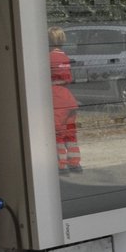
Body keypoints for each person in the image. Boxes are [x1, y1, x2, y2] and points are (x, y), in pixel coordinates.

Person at [48, 26, 81, 174]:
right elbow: (68, 78)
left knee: (58, 133)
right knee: (70, 132)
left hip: (57, 100)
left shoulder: (48, 58)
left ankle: (61, 164)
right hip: (69, 99)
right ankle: (75, 163)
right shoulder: (65, 57)